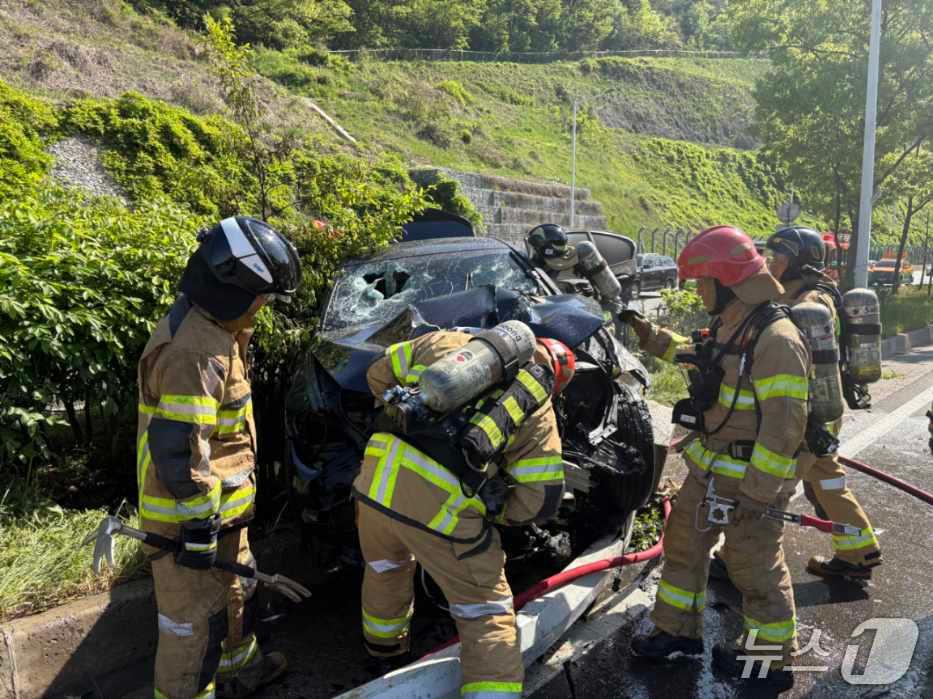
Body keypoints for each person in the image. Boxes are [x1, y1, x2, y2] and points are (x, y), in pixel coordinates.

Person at [623, 225, 810, 689]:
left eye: (704, 282)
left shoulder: (777, 340)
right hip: (708, 473)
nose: (701, 291)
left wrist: (756, 493)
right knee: (684, 547)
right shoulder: (733, 324)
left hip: (749, 483)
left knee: (754, 571)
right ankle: (677, 632)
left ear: (728, 281)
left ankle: (770, 662)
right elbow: (698, 356)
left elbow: (785, 428)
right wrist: (649, 336)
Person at [353, 328, 574, 699]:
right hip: (442, 517)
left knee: (384, 570)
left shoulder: (446, 342)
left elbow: (376, 374)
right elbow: (540, 500)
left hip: (373, 486)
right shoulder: (537, 407)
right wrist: (497, 511)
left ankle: (384, 656)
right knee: (486, 611)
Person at [137, 216, 301, 698]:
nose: (265, 305)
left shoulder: (216, 327)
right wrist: (199, 526)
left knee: (236, 592)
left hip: (220, 511)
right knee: (191, 630)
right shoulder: (195, 350)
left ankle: (240, 669)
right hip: (187, 524)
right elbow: (180, 447)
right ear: (233, 287)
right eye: (263, 295)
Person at [763, 226, 881, 578]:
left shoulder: (808, 304)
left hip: (806, 416)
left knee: (768, 485)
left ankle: (742, 559)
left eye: (778, 258)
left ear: (798, 261)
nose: (772, 265)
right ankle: (860, 552)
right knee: (826, 482)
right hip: (817, 413)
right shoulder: (808, 295)